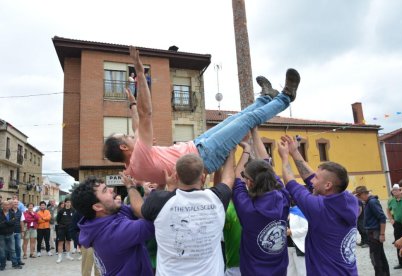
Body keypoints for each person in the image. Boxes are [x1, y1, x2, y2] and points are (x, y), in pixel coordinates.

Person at [103, 46, 300, 186]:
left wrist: (132, 103)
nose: (131, 136)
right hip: (204, 156)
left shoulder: (133, 167)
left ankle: (265, 98)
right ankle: (286, 97)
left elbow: (138, 126)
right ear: (123, 147)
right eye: (126, 137)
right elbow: (146, 115)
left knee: (234, 119)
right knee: (247, 121)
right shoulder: (139, 157)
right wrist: (139, 71)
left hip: (198, 146)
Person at [121, 151, 235, 275]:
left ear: (176, 177)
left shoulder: (160, 200)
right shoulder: (216, 198)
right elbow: (228, 178)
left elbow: (138, 209)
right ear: (202, 178)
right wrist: (230, 152)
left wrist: (130, 187)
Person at [277, 135, 359, 275]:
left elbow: (290, 183)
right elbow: (311, 178)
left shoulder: (319, 208)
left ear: (328, 185)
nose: (312, 180)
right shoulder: (350, 200)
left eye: (317, 178)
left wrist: (284, 157)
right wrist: (295, 152)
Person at [71, 176, 154, 276]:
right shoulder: (113, 233)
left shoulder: (104, 217)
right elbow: (152, 219)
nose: (111, 190)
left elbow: (137, 210)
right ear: (97, 207)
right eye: (105, 190)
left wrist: (146, 192)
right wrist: (131, 187)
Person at [232, 140, 290, 275]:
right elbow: (267, 166)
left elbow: (237, 178)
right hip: (280, 271)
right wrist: (255, 131)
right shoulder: (284, 198)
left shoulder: (247, 208)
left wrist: (246, 150)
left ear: (250, 182)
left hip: (252, 271)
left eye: (244, 176)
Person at [353, 185, 390, 276]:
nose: (358, 198)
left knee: (375, 257)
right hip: (372, 232)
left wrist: (382, 234)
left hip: (374, 233)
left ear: (363, 194)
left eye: (358, 195)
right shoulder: (368, 202)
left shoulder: (372, 202)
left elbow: (382, 218)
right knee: (380, 256)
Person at [386, 183, 402, 269]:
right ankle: (401, 263)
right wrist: (391, 219)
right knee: (398, 243)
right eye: (393, 190)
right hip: (398, 225)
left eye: (396, 190)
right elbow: (388, 210)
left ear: (400, 190)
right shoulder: (391, 200)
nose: (394, 191)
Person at [0, 200, 22, 270]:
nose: (6, 206)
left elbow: (13, 222)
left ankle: (15, 264)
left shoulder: (12, 213)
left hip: (10, 233)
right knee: (2, 250)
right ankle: (2, 265)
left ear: (9, 206)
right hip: (1, 234)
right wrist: (8, 222)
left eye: (7, 205)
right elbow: (1, 225)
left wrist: (5, 222)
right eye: (5, 205)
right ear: (2, 206)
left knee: (12, 250)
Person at [287, 203, 308, 276]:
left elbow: (306, 229)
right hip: (287, 248)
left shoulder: (299, 212)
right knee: (289, 272)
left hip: (298, 247)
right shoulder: (285, 212)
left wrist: (291, 232)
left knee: (302, 272)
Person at [56, 198, 74, 263]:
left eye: (69, 202)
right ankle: (59, 257)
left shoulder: (73, 210)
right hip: (62, 228)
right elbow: (58, 220)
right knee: (60, 242)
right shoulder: (61, 211)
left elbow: (74, 220)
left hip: (69, 228)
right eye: (67, 202)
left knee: (68, 241)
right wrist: (62, 225)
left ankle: (68, 255)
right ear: (65, 203)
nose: (68, 203)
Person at [11, 199, 25, 266]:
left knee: (18, 247)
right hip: (10, 232)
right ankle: (14, 262)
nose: (16, 204)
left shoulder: (20, 212)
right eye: (14, 202)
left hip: (18, 231)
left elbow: (21, 222)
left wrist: (22, 231)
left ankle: (18, 260)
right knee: (12, 248)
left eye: (17, 203)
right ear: (12, 203)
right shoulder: (9, 211)